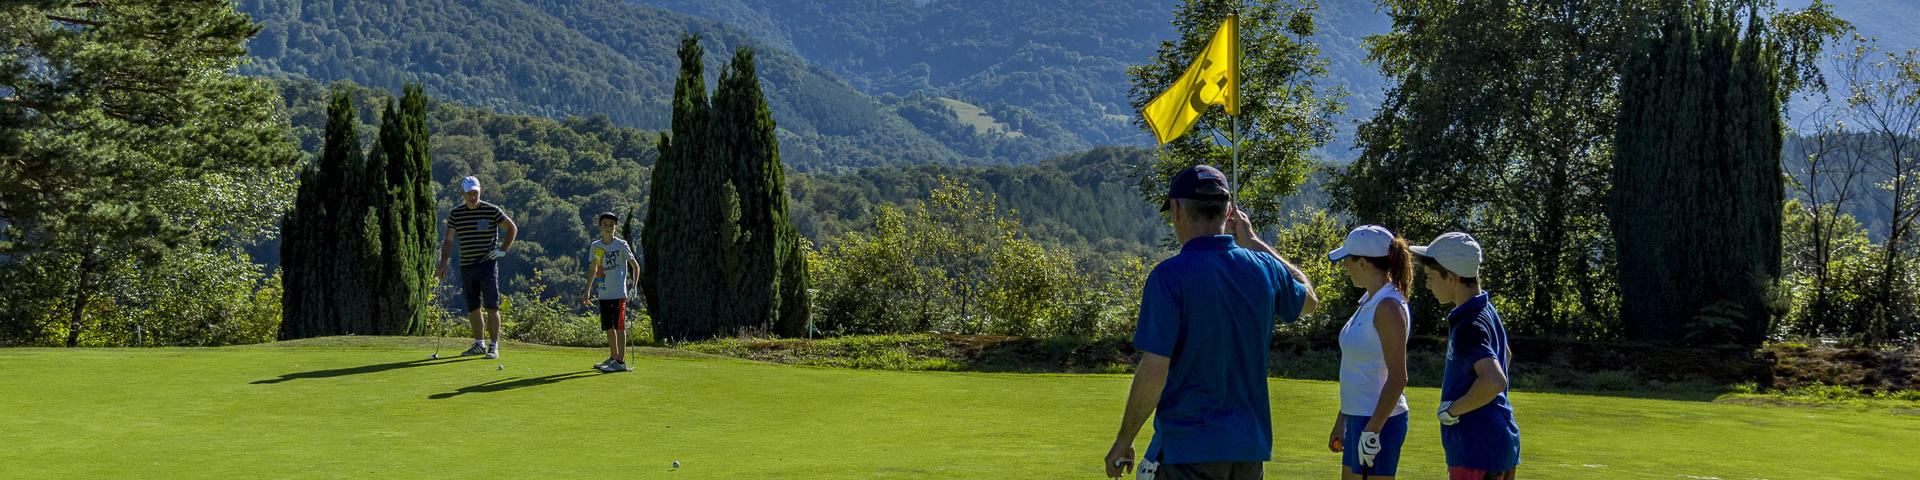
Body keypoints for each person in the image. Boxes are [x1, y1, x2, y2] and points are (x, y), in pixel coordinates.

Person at [1104, 165, 1319, 480]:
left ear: (1176, 209)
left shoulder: (1169, 276)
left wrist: (1124, 440)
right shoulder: (1264, 268)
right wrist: (1255, 242)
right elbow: (1309, 301)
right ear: (1228, 211)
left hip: (1188, 449)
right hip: (1248, 452)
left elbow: (1154, 369)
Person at [1413, 233, 1520, 480]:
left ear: (1451, 277)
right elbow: (1506, 355)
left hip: (1477, 447)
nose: (1428, 285)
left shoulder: (1469, 324)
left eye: (1430, 277)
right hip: (1497, 439)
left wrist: (1452, 410)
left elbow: (1494, 380)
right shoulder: (1485, 309)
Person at [1326, 225, 1412, 479]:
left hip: (1379, 421)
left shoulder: (1388, 307)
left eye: (1348, 260)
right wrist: (1342, 418)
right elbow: (1357, 368)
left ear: (1363, 262)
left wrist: (1372, 430)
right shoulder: (1369, 301)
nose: (1344, 266)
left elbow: (1398, 378)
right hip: (1359, 418)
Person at [435, 176, 518, 360]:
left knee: (492, 306)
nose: (473, 196)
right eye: (469, 193)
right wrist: (443, 262)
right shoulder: (456, 213)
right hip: (466, 265)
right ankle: (479, 344)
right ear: (462, 193)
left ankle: (493, 346)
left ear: (480, 191)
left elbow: (511, 228)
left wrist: (503, 250)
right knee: (473, 306)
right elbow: (448, 240)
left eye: (475, 193)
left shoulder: (491, 210)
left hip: (487, 264)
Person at [581, 212, 641, 373]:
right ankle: (613, 357)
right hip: (603, 293)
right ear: (600, 226)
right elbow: (593, 268)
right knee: (608, 327)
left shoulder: (621, 245)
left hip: (619, 293)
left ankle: (621, 361)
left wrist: (633, 287)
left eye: (611, 225)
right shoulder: (596, 245)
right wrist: (587, 291)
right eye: (605, 224)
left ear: (615, 227)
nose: (608, 227)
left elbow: (635, 266)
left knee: (619, 327)